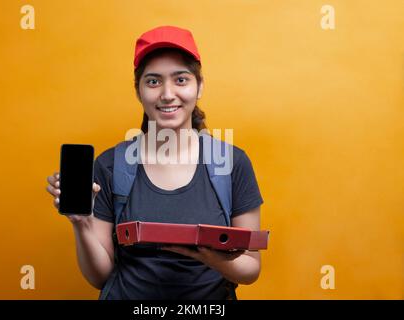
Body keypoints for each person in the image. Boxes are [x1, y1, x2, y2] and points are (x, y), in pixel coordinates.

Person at [45, 25, 264, 300]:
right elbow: (100, 277)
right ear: (138, 91)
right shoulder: (111, 165)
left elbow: (251, 268)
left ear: (200, 87)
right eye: (153, 81)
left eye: (181, 80)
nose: (167, 93)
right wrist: (81, 222)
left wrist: (207, 255)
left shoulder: (232, 163)